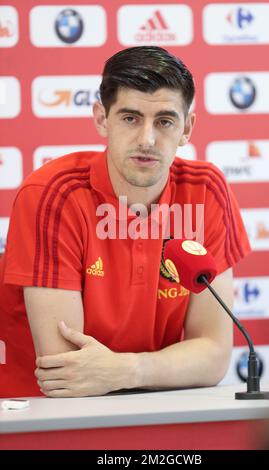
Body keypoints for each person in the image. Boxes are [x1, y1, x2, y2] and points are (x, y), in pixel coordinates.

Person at [0, 46, 251, 398]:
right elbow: (67, 369)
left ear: (187, 128)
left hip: (145, 406)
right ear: (102, 118)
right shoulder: (53, 194)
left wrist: (129, 369)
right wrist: (161, 368)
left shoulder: (206, 190)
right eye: (130, 118)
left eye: (164, 121)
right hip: (36, 415)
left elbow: (213, 354)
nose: (147, 140)